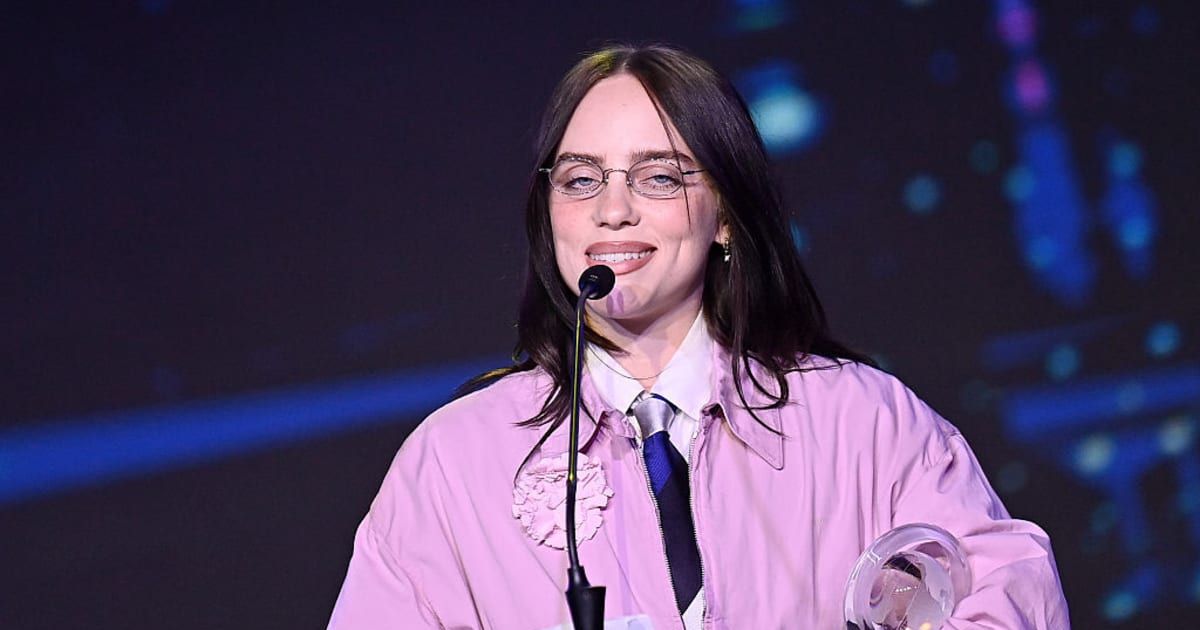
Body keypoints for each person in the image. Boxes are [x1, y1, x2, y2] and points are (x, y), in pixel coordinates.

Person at [327, 43, 1070, 629]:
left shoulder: (863, 423)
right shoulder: (456, 462)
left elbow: (1009, 591)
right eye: (581, 181)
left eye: (658, 178)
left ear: (725, 216)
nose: (611, 212)